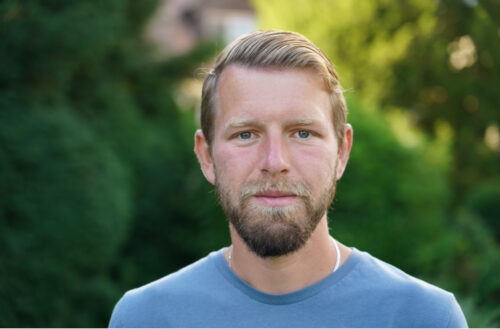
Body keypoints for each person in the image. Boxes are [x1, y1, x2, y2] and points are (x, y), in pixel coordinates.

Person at [108, 30, 467, 328]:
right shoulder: (147, 318)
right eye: (246, 134)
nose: (275, 162)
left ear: (342, 151)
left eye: (302, 133)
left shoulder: (422, 318)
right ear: (206, 157)